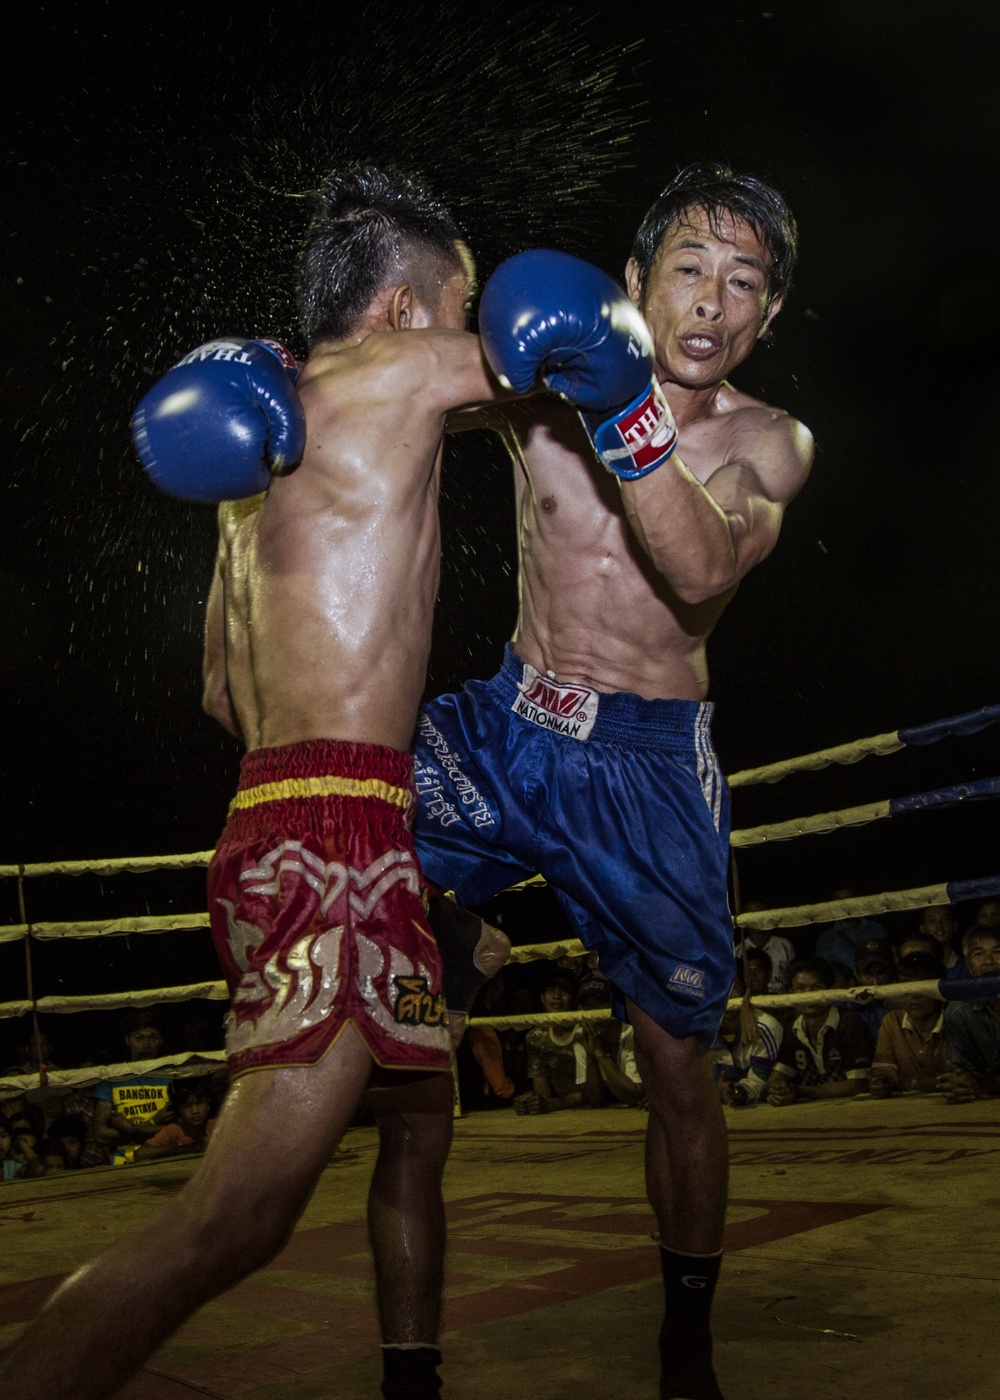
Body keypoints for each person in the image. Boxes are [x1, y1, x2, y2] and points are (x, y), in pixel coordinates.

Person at [0, 166, 529, 1400]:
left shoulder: (261, 453)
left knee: (415, 1121)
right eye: (450, 299)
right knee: (231, 1223)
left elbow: (221, 695)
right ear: (403, 309)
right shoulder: (388, 373)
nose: (461, 323)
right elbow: (532, 357)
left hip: (294, 818)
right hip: (336, 832)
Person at [412, 163, 813, 1400]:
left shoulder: (769, 443)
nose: (713, 299)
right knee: (361, 859)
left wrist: (624, 402)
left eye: (745, 282)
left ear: (768, 316)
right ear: (634, 279)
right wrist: (302, 368)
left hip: (644, 769)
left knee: (676, 1065)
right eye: (690, 266)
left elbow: (697, 572)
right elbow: (405, 400)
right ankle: (459, 940)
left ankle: (684, 1335)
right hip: (508, 721)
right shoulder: (542, 381)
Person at [765, 959, 873, 1104]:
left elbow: (858, 1084)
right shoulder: (792, 1029)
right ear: (790, 993)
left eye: (816, 987)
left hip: (855, 1109)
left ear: (830, 990)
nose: (809, 995)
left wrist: (802, 1091)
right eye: (801, 988)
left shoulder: (848, 1022)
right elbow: (775, 1080)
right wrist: (778, 1091)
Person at [515, 972, 605, 1114]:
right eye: (551, 990)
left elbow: (597, 1093)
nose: (557, 996)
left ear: (574, 999)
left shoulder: (587, 1030)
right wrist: (530, 1102)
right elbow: (543, 1095)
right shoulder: (536, 1037)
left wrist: (558, 1103)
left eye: (564, 991)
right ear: (542, 998)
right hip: (566, 1113)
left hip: (599, 1107)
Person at [91, 1010, 173, 1165]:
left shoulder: (172, 1078)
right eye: (139, 1038)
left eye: (153, 1037)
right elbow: (100, 1135)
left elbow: (177, 1129)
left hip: (163, 1159)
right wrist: (153, 1124)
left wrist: (129, 1128)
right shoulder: (111, 1079)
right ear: (127, 1040)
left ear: (161, 1040)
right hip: (123, 1162)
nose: (146, 1045)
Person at [869, 949, 948, 1096]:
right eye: (907, 987)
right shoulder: (892, 1021)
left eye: (922, 987)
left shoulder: (955, 1018)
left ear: (939, 988)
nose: (914, 996)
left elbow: (961, 1080)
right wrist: (880, 1084)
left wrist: (908, 1082)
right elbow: (883, 1074)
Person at [938, 926, 1000, 1102]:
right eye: (978, 954)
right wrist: (960, 1083)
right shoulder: (960, 1011)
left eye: (997, 952)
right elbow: (961, 1070)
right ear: (968, 964)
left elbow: (979, 1084)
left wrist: (982, 1086)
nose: (989, 961)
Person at [712, 973, 782, 1106]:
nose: (725, 994)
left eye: (732, 987)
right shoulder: (699, 1030)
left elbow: (758, 1081)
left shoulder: (764, 1028)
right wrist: (715, 1091)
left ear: (745, 993)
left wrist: (736, 1092)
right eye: (717, 987)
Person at [134, 1079, 216, 1161]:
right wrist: (188, 1148)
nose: (195, 1111)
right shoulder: (174, 1130)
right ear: (178, 1110)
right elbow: (140, 1154)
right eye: (187, 1106)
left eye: (199, 1103)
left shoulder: (217, 1126)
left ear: (207, 1105)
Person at [814, 887, 889, 969]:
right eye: (839, 901)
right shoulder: (826, 940)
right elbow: (825, 971)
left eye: (849, 899)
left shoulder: (877, 928)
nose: (844, 904)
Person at [733, 903, 795, 991]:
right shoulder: (738, 951)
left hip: (782, 1000)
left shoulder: (784, 945)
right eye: (751, 916)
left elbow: (793, 978)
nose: (757, 919)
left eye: (760, 914)